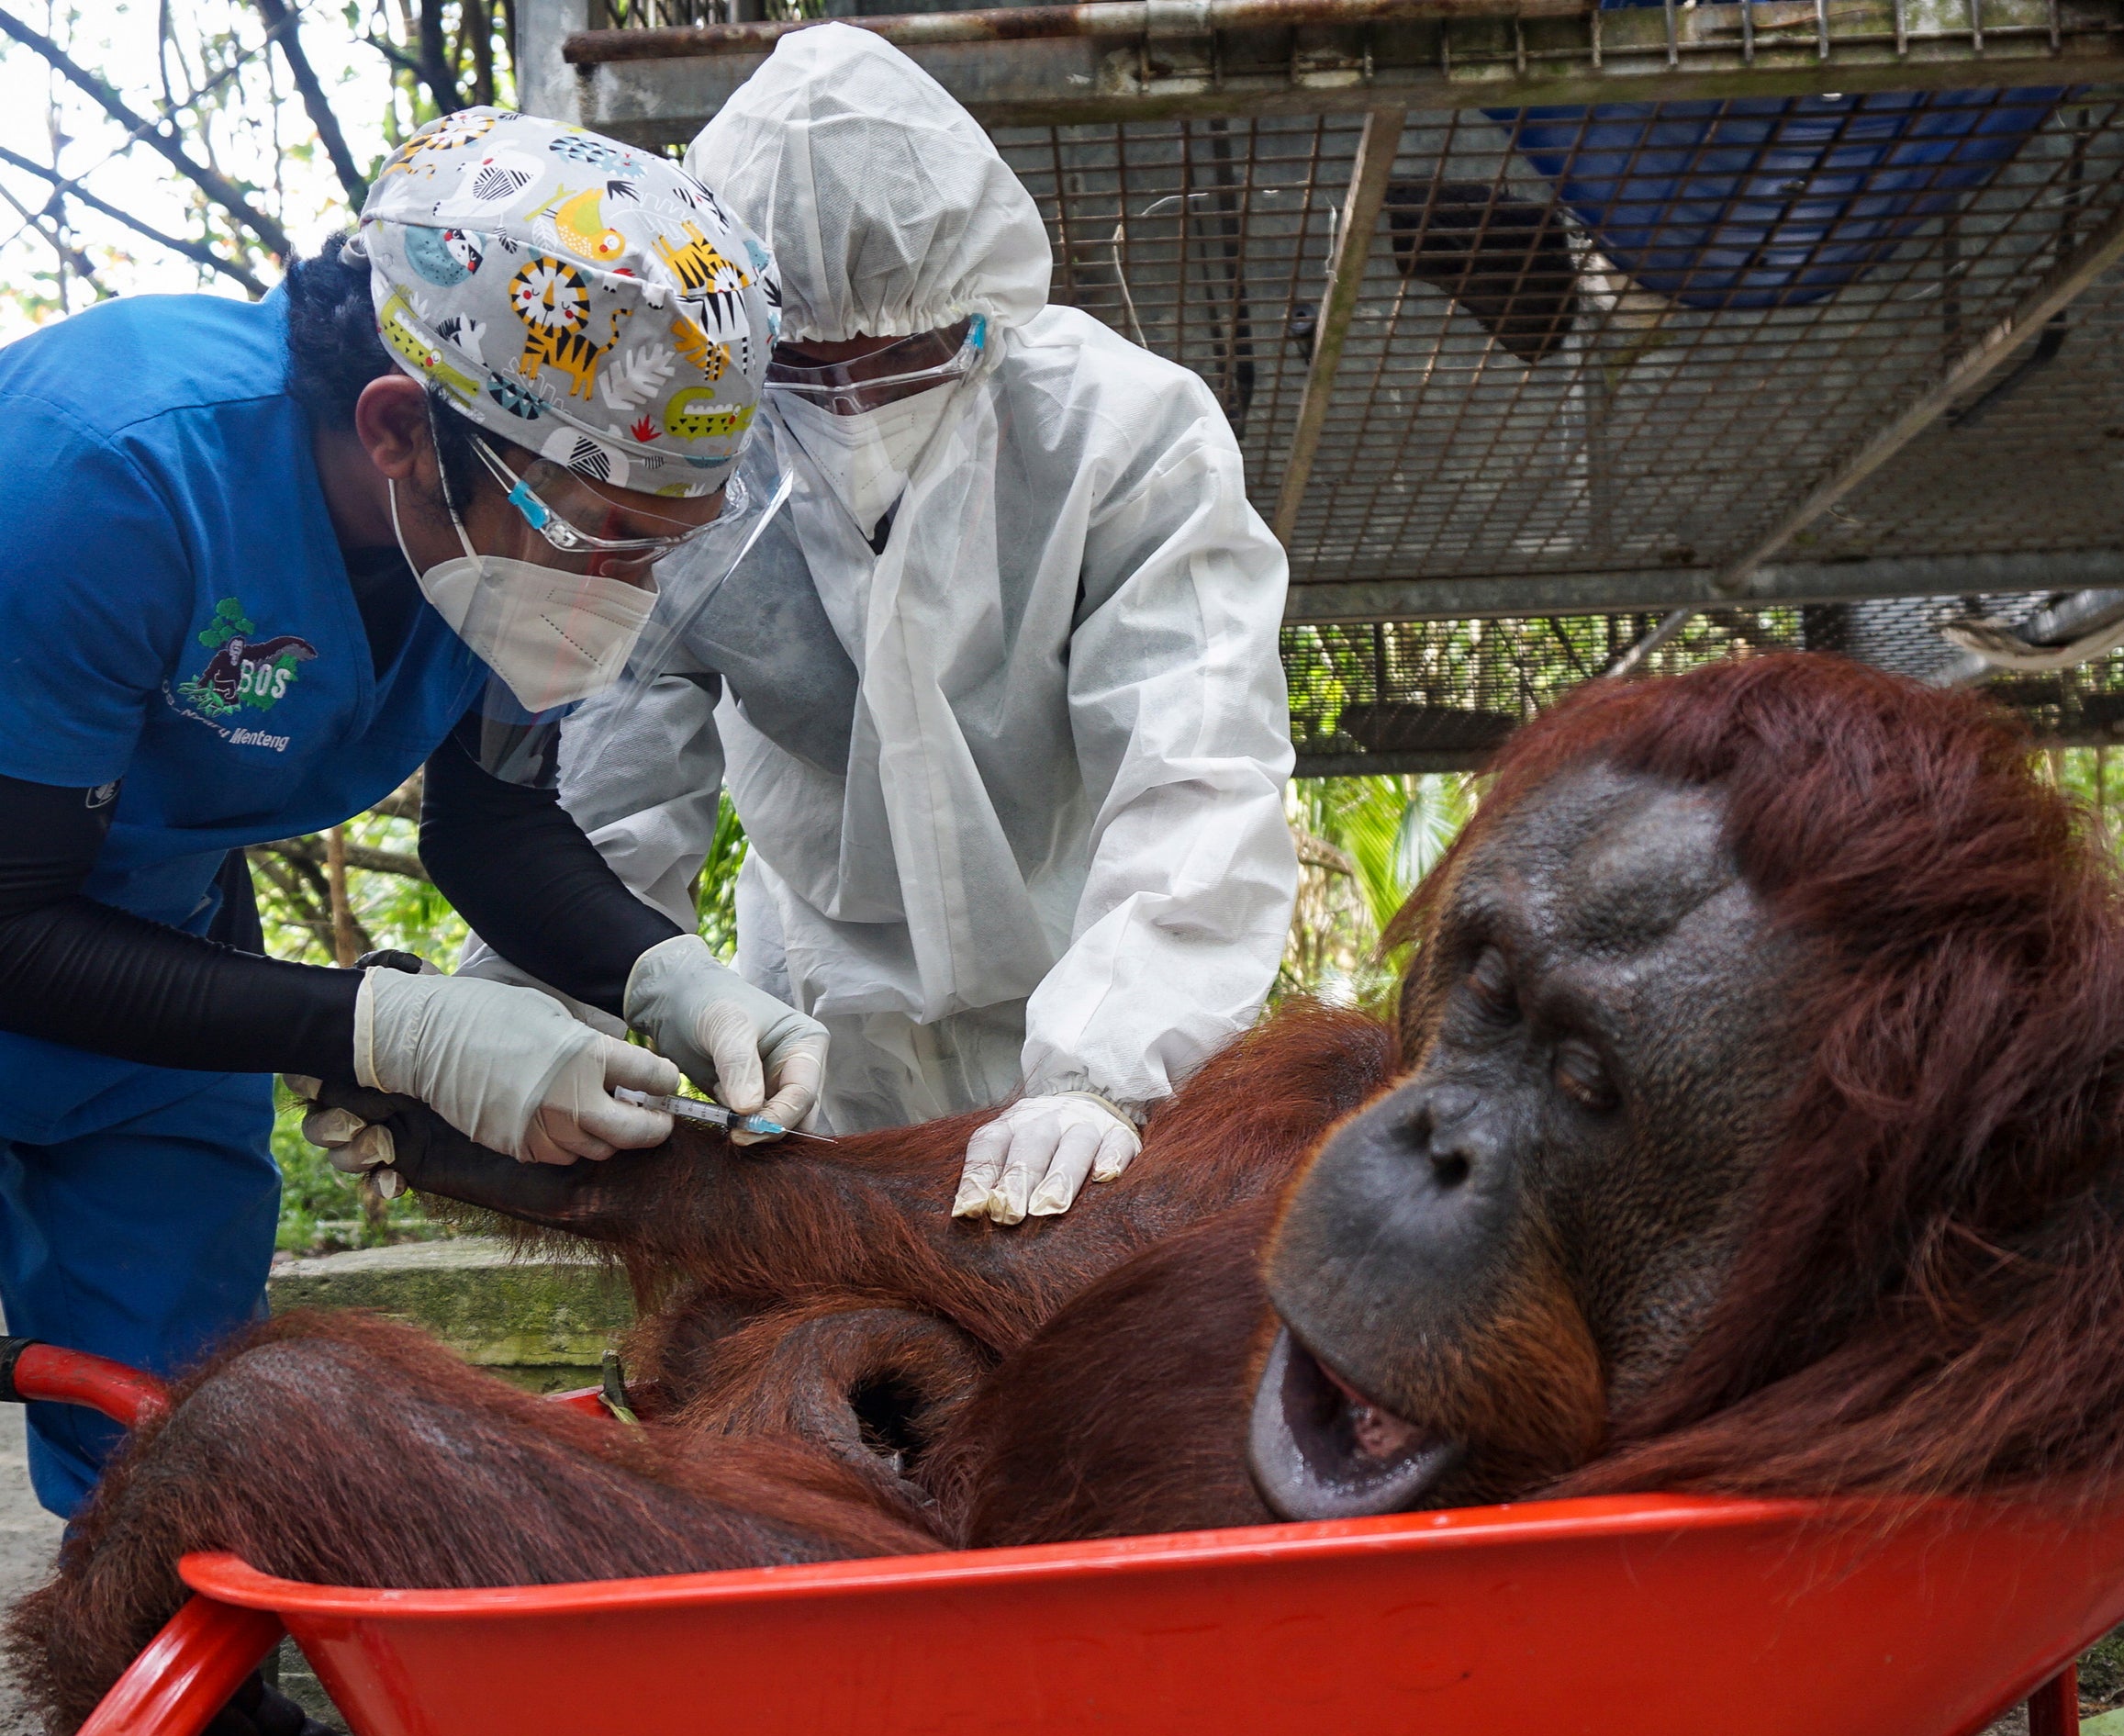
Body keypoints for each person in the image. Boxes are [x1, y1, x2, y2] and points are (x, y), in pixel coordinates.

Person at [0, 108, 829, 1516]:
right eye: (604, 537)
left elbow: (492, 823)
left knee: (167, 1384)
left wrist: (668, 977)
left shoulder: (483, 534)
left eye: (659, 550)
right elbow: (13, 917)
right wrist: (385, 1027)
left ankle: (185, 1682)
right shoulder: (108, 473)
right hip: (30, 911)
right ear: (399, 427)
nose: (620, 597)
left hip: (146, 932)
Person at [483, 27, 1299, 1227]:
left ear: (979, 297)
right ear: (742, 341)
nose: (858, 399)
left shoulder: (1123, 438)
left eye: (906, 354)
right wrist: (531, 1030)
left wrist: (1107, 1071)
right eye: (811, 369)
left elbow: (1197, 763)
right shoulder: (679, 473)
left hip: (1098, 961)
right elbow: (598, 801)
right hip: (818, 1012)